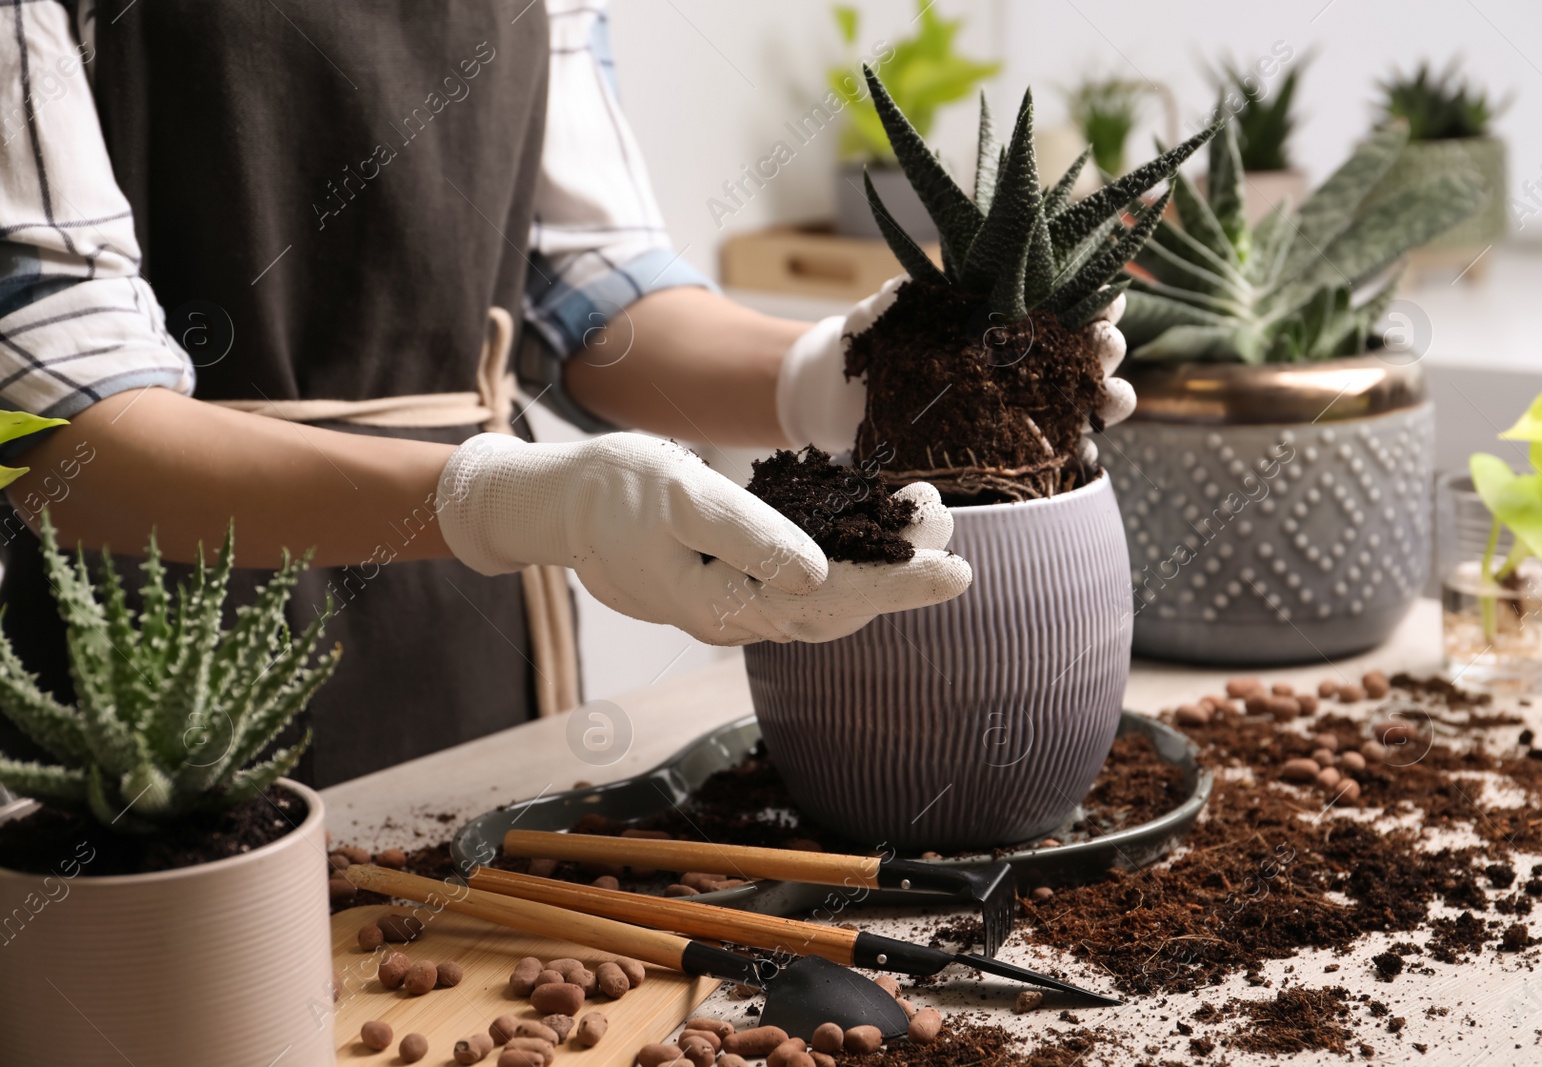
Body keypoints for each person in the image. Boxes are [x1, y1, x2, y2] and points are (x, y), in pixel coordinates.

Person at [0, 1, 1131, 785]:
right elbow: (58, 432)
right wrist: (529, 502)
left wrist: (831, 378)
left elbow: (591, 293)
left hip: (473, 628)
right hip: (156, 635)